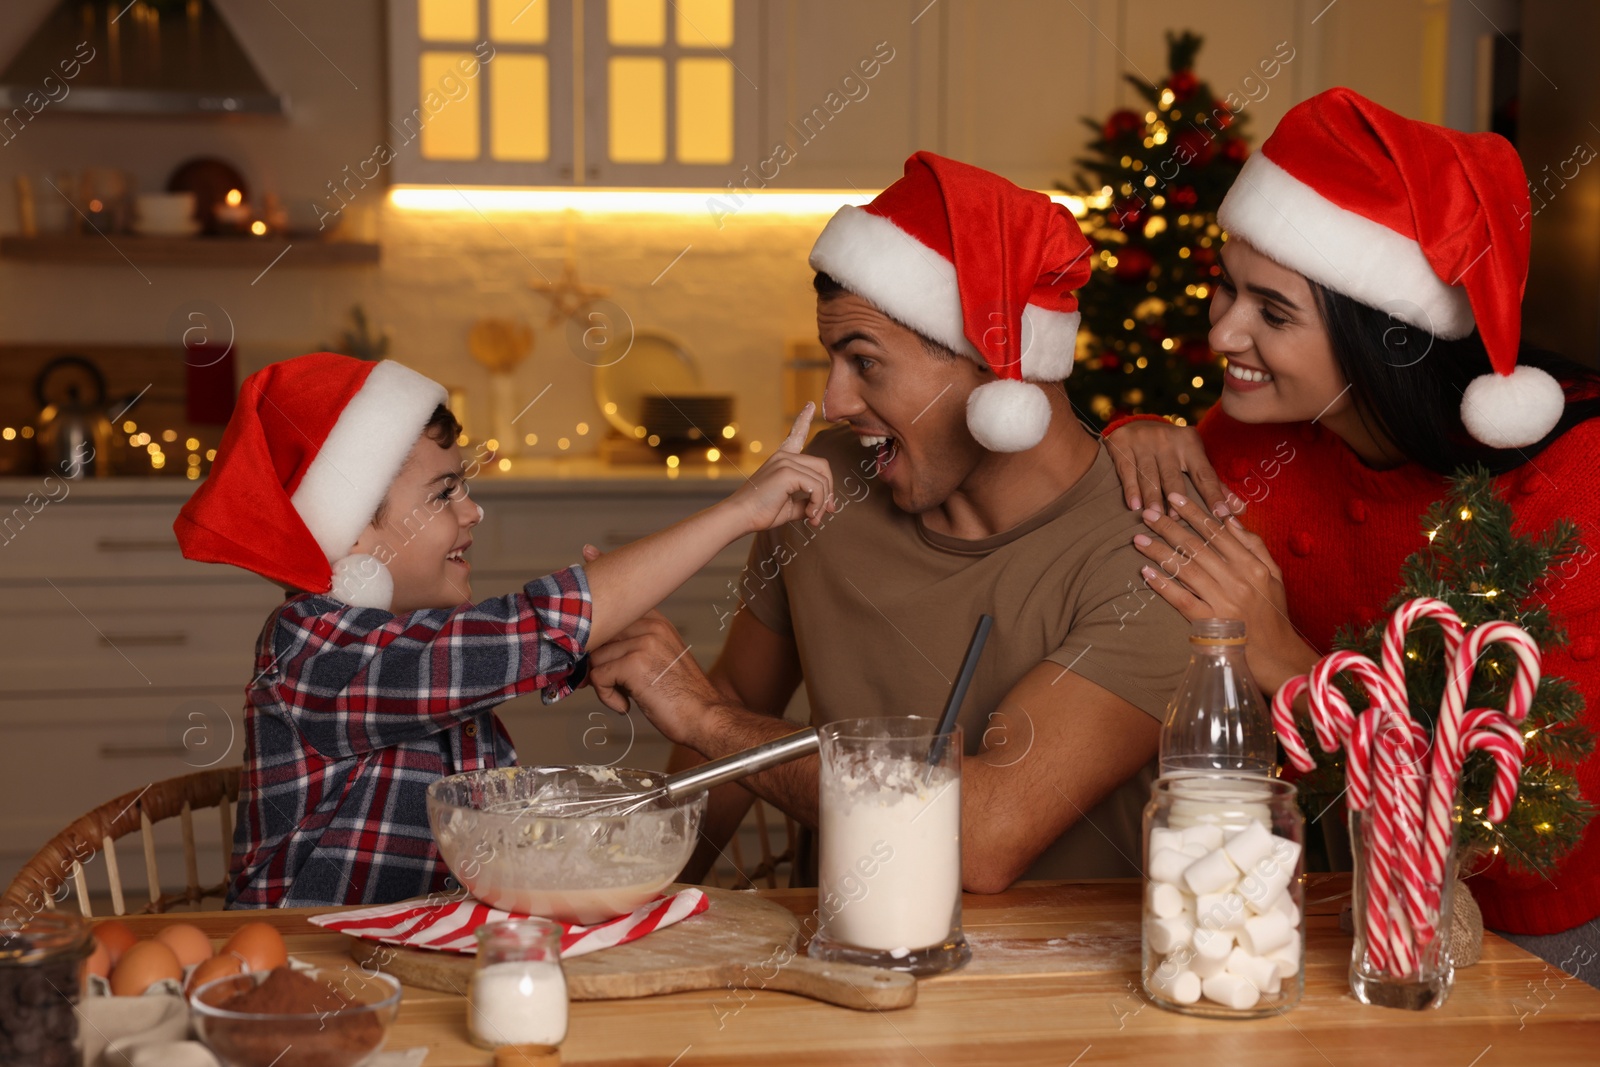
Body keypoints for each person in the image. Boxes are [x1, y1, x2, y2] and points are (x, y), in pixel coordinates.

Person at [585, 152, 1196, 893]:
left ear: (996, 371)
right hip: (838, 968)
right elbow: (742, 699)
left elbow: (981, 840)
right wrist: (641, 909)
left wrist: (709, 722)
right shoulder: (825, 490)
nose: (836, 401)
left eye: (864, 361)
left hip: (1051, 1000)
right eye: (832, 359)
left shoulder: (1153, 553)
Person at [1101, 87, 1600, 968]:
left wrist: (1287, 658)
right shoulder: (1255, 440)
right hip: (1341, 889)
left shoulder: (1571, 480)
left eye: (1273, 311)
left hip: (1545, 921)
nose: (1222, 332)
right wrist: (1128, 441)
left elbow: (1526, 803)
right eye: (1228, 289)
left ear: (1388, 335)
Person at [173, 352, 837, 907]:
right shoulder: (309, 647)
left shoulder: (421, 646)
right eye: (444, 493)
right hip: (306, 993)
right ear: (348, 529)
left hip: (420, 982)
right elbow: (526, 631)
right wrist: (740, 512)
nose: (474, 510)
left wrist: (602, 643)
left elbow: (504, 658)